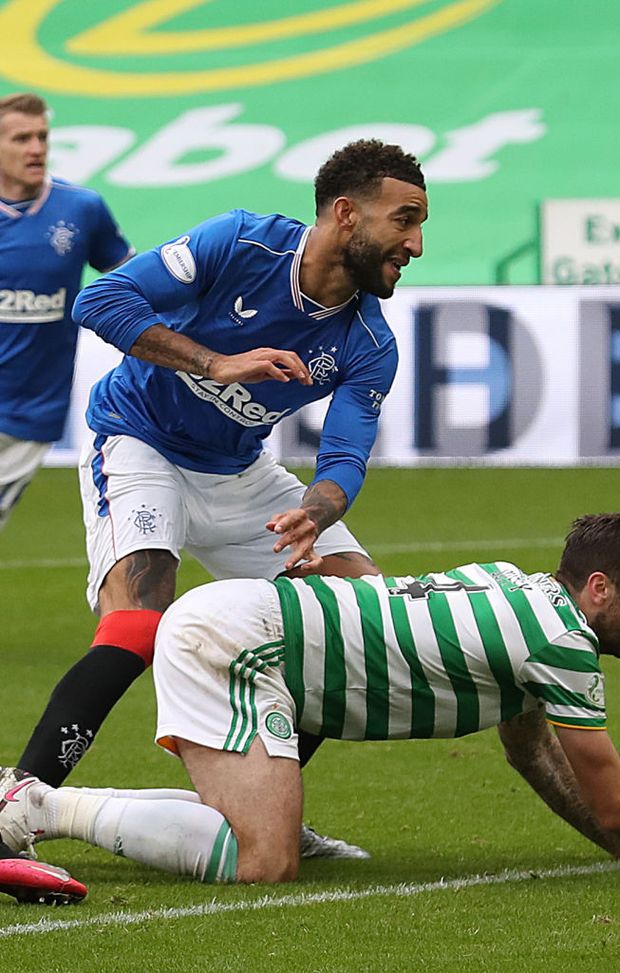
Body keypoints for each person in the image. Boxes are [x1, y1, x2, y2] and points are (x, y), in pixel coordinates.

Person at [13, 139, 428, 865]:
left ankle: (257, 810)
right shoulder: (239, 243)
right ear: (344, 214)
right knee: (139, 623)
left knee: (356, 618)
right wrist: (215, 360)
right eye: (405, 220)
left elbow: (343, 456)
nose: (416, 244)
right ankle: (18, 803)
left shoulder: (368, 339)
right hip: (139, 443)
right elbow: (98, 299)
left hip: (242, 476)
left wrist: (320, 511)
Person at [2, 512, 620, 900]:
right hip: (244, 643)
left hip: (250, 629)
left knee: (254, 839)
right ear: (598, 587)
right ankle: (35, 803)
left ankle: (38, 804)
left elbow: (533, 752)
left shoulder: (520, 588)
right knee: (264, 862)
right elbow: (611, 804)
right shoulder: (559, 641)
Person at [0, 92, 133, 530]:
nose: (36, 148)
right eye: (21, 138)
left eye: (41, 137)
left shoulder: (80, 209)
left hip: (28, 413)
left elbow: (134, 278)